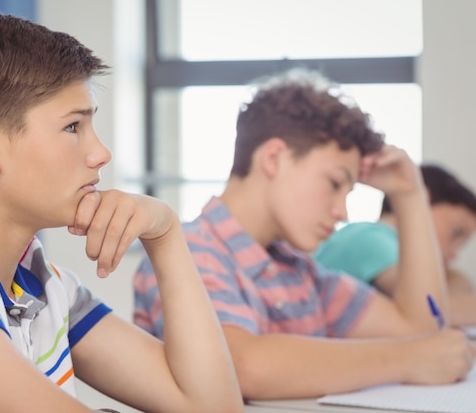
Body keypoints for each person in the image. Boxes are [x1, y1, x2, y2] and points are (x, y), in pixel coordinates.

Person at [0, 13, 243, 413]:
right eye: (74, 127)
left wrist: (165, 232)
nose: (101, 153)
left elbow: (211, 406)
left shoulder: (45, 285)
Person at [133, 68, 476, 400]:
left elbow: (423, 327)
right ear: (274, 158)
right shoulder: (189, 251)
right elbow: (240, 364)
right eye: (334, 183)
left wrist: (410, 195)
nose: (342, 212)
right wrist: (408, 359)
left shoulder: (304, 274)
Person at [315, 163, 476, 326]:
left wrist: (459, 280)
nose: (454, 254)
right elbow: (430, 311)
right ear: (423, 201)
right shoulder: (372, 238)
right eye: (456, 233)